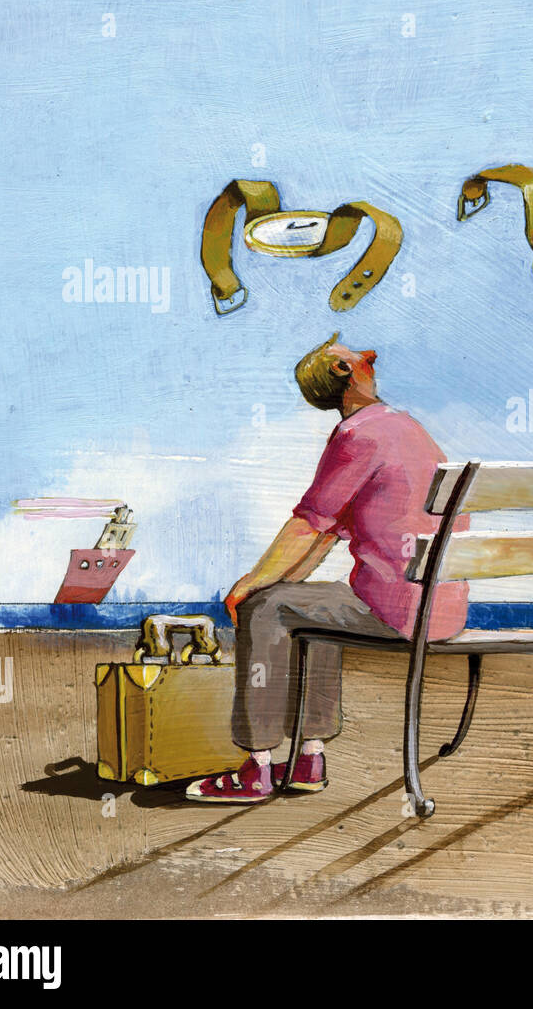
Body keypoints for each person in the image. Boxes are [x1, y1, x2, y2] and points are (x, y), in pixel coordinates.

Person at [186, 334, 468, 803]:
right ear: (345, 374)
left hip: (396, 610)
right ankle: (308, 757)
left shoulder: (360, 433)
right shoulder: (407, 429)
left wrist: (251, 584)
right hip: (442, 609)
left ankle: (257, 767)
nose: (370, 355)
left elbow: (308, 523)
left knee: (264, 606)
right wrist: (282, 579)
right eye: (358, 355)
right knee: (308, 605)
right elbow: (328, 529)